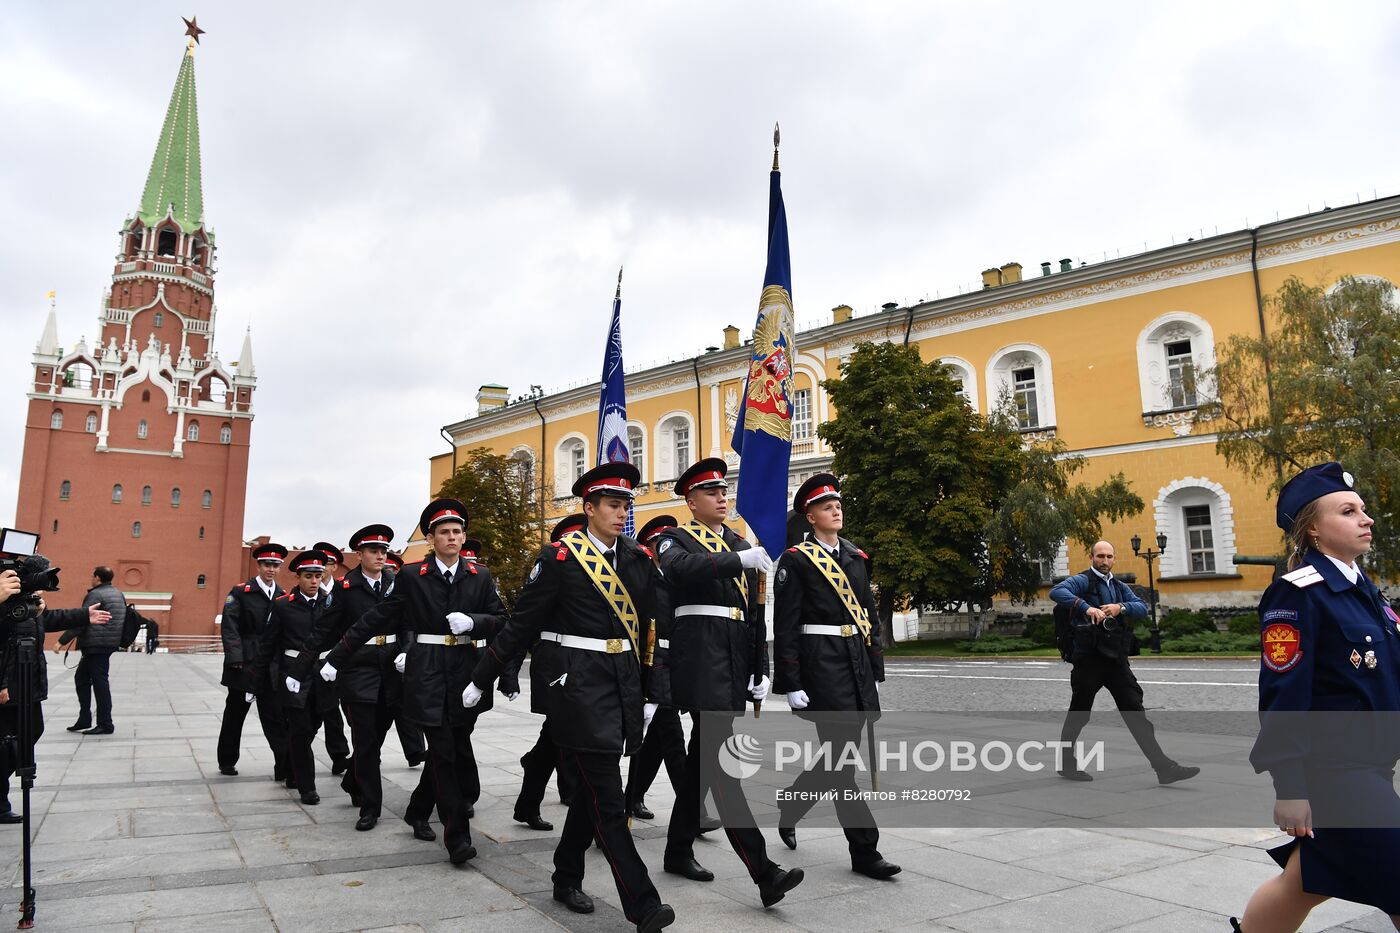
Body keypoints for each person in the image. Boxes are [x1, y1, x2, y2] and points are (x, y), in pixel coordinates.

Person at [466, 463, 675, 933]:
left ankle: (565, 874)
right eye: (612, 505)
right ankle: (642, 903)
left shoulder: (638, 559)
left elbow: (653, 629)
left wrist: (651, 690)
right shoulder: (561, 558)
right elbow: (522, 623)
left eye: (626, 505)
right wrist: (483, 676)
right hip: (576, 687)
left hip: (620, 683)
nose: (622, 513)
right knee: (607, 795)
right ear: (589, 508)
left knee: (588, 791)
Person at [1233, 463, 1400, 933]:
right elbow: (1284, 694)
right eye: (1348, 511)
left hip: (1372, 766)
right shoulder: (1299, 593)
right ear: (1313, 528)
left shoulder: (1365, 593)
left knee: (1305, 882)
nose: (1366, 519)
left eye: (1363, 509)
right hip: (1337, 773)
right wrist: (1290, 786)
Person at [321, 498, 507, 864]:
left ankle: (419, 810)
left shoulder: (479, 575)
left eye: (457, 532)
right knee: (444, 753)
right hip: (428, 672)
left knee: (449, 749)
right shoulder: (411, 576)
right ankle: (457, 838)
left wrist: (474, 622)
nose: (452, 538)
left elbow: (501, 619)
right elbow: (377, 617)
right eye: (444, 532)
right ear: (432, 539)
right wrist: (337, 657)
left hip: (465, 671)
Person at [658, 457, 804, 909]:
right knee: (721, 769)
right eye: (712, 493)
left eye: (725, 492)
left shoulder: (741, 542)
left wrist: (760, 669)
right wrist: (737, 559)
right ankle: (764, 872)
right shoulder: (673, 539)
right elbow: (680, 570)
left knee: (704, 760)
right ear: (691, 500)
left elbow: (754, 615)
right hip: (699, 660)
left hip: (734, 660)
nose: (723, 498)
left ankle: (677, 850)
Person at [772, 473, 901, 879]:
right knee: (843, 762)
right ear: (810, 516)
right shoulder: (797, 560)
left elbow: (869, 616)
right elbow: (787, 626)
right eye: (827, 507)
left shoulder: (855, 557)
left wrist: (875, 667)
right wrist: (790, 682)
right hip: (823, 665)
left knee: (835, 757)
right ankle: (865, 851)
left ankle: (793, 803)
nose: (836, 510)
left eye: (838, 504)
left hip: (855, 663)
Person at [305, 524, 428, 832]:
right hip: (358, 670)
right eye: (373, 551)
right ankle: (371, 808)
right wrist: (306, 665)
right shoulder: (346, 588)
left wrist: (407, 649)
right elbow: (326, 630)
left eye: (384, 551)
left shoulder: (396, 583)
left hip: (391, 670)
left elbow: (409, 623)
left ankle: (351, 779)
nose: (380, 556)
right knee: (367, 740)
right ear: (359, 554)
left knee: (378, 735)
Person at [1049, 540, 1199, 784]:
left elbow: (1141, 608)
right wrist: (1088, 609)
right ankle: (1066, 764)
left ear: (1114, 558)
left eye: (1109, 556)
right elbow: (1056, 592)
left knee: (1135, 712)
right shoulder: (1082, 580)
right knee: (1079, 713)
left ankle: (1163, 768)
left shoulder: (1119, 586)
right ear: (1091, 557)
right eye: (1100, 556)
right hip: (1088, 659)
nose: (1105, 561)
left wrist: (1121, 607)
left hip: (1115, 659)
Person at [0, 570, 112, 823]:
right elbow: (2, 644)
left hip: (29, 682)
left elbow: (48, 619)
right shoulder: (5, 605)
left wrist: (85, 615)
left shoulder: (25, 606)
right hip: (9, 685)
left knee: (32, 731)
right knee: (7, 743)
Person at [501, 515, 586, 833]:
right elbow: (522, 625)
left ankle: (531, 795)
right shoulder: (553, 570)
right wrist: (508, 673)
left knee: (558, 736)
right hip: (556, 669)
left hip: (583, 668)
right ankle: (589, 813)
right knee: (569, 734)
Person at [255, 550, 337, 805]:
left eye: (318, 576)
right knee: (300, 730)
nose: (314, 581)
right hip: (294, 674)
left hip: (322, 673)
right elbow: (268, 644)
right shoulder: (282, 605)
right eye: (309, 576)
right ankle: (306, 786)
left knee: (313, 725)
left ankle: (291, 768)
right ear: (299, 577)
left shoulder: (331, 603)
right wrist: (257, 680)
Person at [216, 543, 290, 780]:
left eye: (275, 565)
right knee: (235, 715)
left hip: (271, 665)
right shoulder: (241, 592)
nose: (271, 569)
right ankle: (227, 760)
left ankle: (283, 765)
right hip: (245, 662)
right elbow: (230, 626)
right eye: (267, 564)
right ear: (258, 566)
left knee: (275, 716)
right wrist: (235, 658)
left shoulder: (281, 595)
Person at [59, 567, 126, 735]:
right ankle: (84, 718)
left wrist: (62, 640)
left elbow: (82, 619)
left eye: (92, 575)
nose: (91, 578)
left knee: (99, 683)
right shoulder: (118, 594)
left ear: (97, 578)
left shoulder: (95, 594)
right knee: (82, 678)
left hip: (96, 644)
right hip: (107, 643)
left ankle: (105, 723)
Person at [312, 541, 353, 776]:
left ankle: (358, 754)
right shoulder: (308, 590)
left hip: (344, 658)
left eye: (327, 564)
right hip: (319, 659)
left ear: (335, 567)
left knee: (351, 710)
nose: (322, 568)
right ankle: (339, 755)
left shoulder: (344, 589)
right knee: (328, 711)